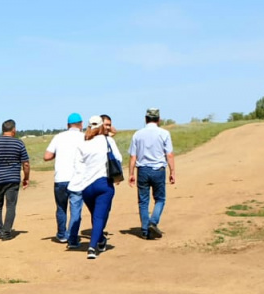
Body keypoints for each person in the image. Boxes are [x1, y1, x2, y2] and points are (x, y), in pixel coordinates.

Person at [75, 116, 123, 259]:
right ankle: (91, 247)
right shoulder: (107, 141)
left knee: (96, 216)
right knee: (99, 217)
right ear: (102, 126)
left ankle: (101, 239)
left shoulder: (83, 144)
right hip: (103, 184)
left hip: (86, 187)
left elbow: (78, 166)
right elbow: (118, 158)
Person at [128, 107, 176, 239]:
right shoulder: (164, 133)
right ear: (159, 119)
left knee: (143, 201)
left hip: (142, 170)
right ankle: (153, 222)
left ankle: (145, 230)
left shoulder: (137, 134)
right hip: (158, 170)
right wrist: (172, 172)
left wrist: (131, 174)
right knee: (160, 199)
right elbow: (169, 155)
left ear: (146, 119)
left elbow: (133, 157)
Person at [0, 119, 30, 240]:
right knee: (11, 206)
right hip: (12, 179)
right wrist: (26, 178)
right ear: (13, 130)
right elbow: (26, 164)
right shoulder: (19, 144)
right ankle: (6, 232)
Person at [43, 112, 85, 244]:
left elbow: (47, 156)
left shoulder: (59, 137)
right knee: (75, 208)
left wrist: (59, 154)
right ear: (81, 124)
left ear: (67, 125)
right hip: (77, 178)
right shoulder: (84, 137)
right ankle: (73, 235)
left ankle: (62, 234)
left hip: (61, 178)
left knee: (61, 207)